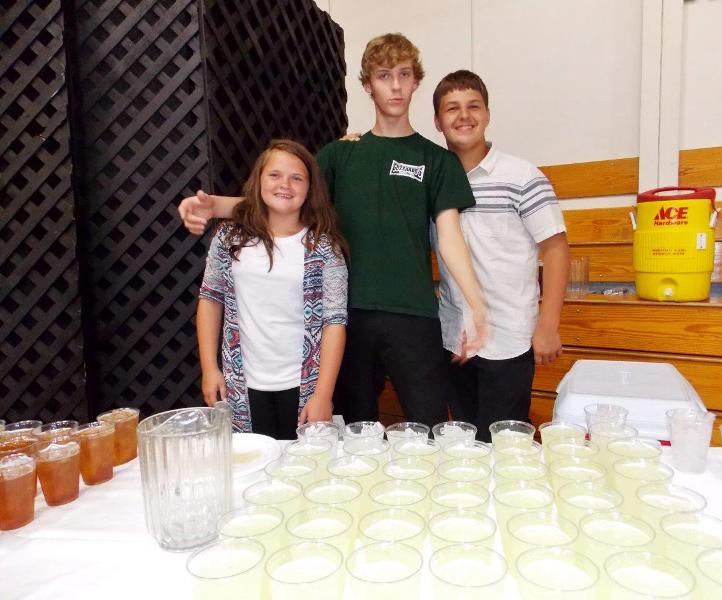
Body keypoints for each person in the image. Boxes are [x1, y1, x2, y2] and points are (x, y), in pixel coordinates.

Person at [180, 34, 487, 428]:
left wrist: (476, 305)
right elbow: (284, 199)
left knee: (429, 426)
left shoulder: (437, 160)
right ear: (367, 85)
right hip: (348, 316)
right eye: (384, 76)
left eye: (404, 75)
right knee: (353, 430)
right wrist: (216, 206)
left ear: (416, 82)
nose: (395, 86)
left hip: (414, 314)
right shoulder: (342, 153)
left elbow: (450, 237)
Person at [431, 70, 570, 442]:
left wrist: (548, 325)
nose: (464, 116)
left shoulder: (522, 176)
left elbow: (556, 249)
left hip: (509, 336)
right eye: (452, 108)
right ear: (438, 122)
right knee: (466, 444)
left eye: (473, 106)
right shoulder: (434, 179)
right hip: (454, 338)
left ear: (488, 114)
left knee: (505, 446)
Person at [196, 139, 348, 436]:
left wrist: (323, 394)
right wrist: (209, 368)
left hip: (304, 386)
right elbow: (210, 299)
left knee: (304, 461)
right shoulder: (229, 238)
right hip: (240, 385)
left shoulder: (324, 248)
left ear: (310, 188)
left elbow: (334, 322)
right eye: (274, 175)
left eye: (297, 178)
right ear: (259, 180)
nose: (285, 185)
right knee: (252, 461)